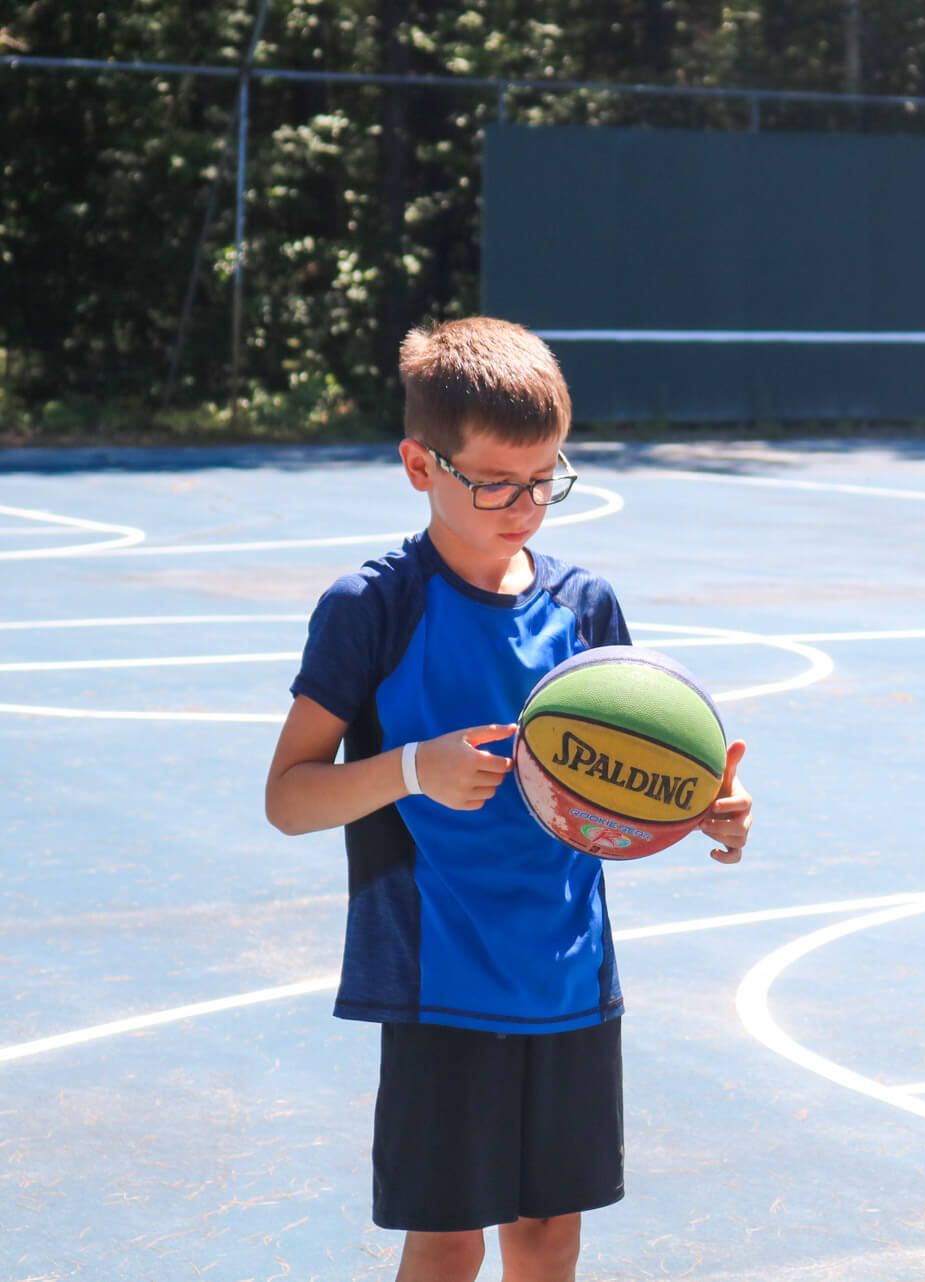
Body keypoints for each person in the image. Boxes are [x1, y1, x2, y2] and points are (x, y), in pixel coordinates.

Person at [264, 317, 753, 1282]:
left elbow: (611, 783)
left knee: (548, 1234)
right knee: (447, 1240)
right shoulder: (375, 607)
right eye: (495, 482)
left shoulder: (587, 606)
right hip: (438, 978)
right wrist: (413, 770)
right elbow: (289, 797)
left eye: (546, 479)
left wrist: (695, 808)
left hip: (567, 973)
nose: (525, 505)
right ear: (419, 464)